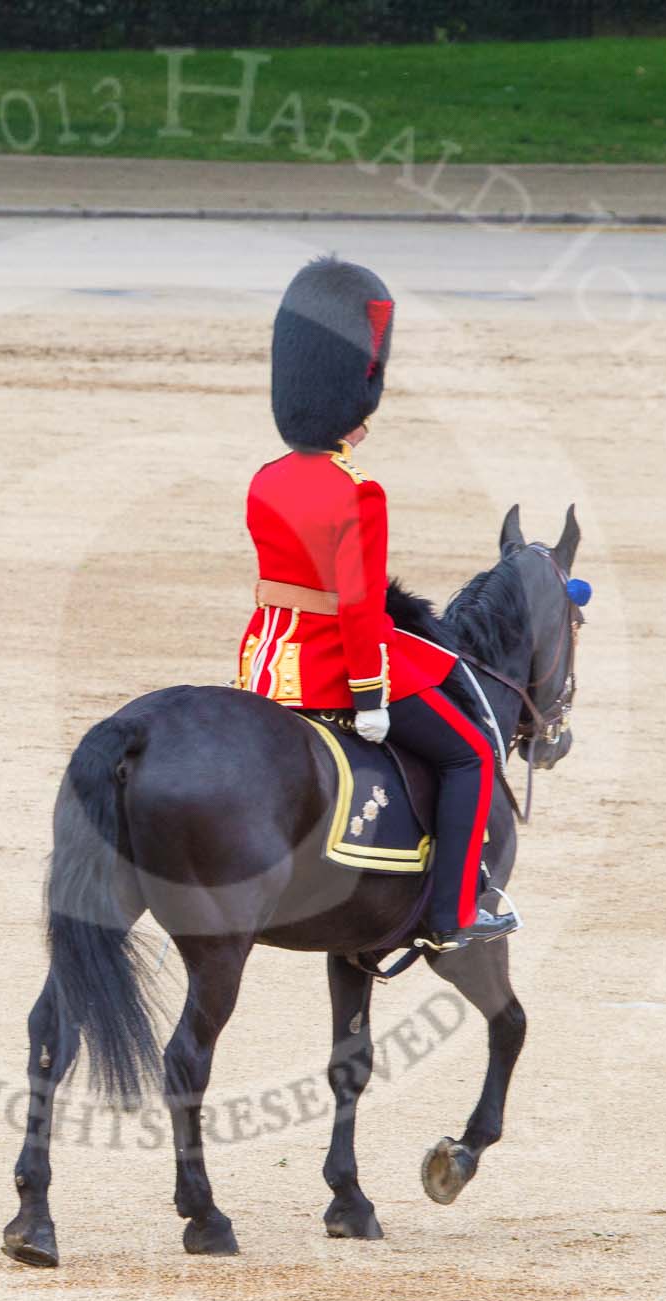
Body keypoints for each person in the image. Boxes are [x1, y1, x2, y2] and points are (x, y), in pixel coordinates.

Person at [238, 257, 516, 951]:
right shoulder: (357, 489)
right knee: (474, 753)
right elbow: (359, 610)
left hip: (268, 662)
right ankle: (454, 912)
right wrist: (369, 698)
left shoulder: (266, 477)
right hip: (337, 661)